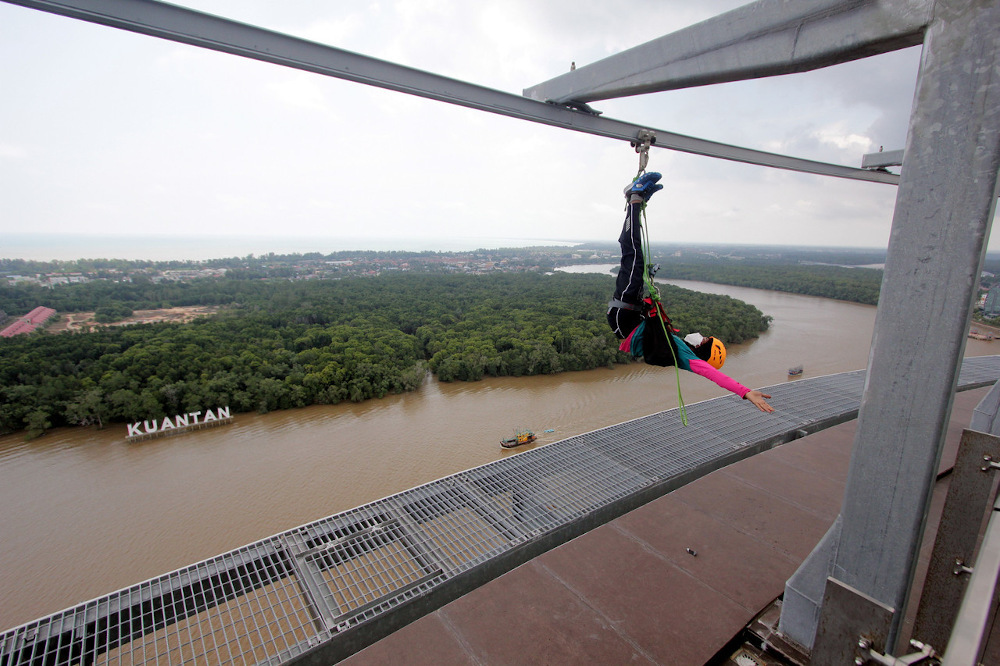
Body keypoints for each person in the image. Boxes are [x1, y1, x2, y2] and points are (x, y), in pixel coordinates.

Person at [607, 172, 775, 413]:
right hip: (626, 315)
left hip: (626, 314)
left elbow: (716, 376)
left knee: (633, 255)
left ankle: (634, 197)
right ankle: (634, 200)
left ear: (704, 351)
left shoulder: (688, 358)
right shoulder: (679, 347)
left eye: (705, 340)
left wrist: (745, 391)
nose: (701, 336)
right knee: (632, 255)